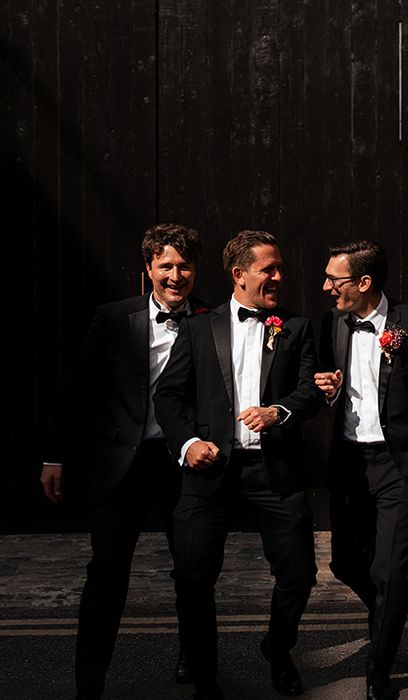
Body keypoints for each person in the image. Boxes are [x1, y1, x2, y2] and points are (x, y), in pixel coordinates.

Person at [154, 230, 322, 699]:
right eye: (269, 269)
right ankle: (205, 675)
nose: (278, 277)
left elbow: (309, 391)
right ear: (239, 274)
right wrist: (188, 442)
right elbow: (167, 396)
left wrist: (278, 412)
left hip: (274, 470)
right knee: (192, 576)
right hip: (210, 469)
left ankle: (280, 648)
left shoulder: (296, 326)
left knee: (299, 573)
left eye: (279, 268)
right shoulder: (198, 327)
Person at [40, 223, 205, 699]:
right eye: (166, 266)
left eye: (184, 265)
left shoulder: (213, 320)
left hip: (182, 464)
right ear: (149, 268)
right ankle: (88, 681)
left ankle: (193, 658)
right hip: (121, 466)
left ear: (196, 269)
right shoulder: (114, 318)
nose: (176, 275)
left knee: (193, 572)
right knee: (107, 576)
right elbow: (75, 388)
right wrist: (54, 454)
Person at [313, 240, 408, 700]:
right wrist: (326, 388)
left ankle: (379, 668)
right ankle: (387, 615)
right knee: (346, 563)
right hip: (350, 462)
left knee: (393, 570)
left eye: (334, 280)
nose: (325, 287)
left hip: (401, 463)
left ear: (364, 282)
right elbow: (321, 386)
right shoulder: (332, 324)